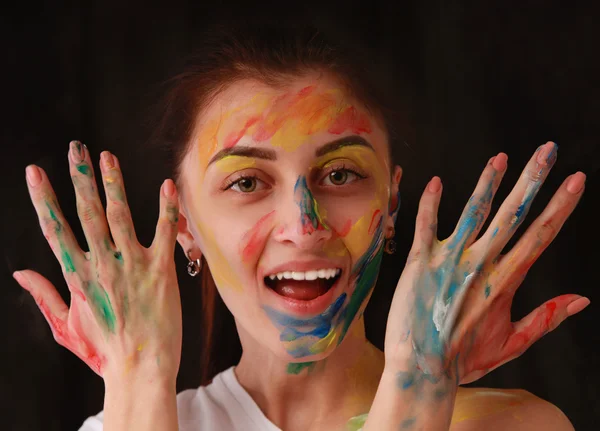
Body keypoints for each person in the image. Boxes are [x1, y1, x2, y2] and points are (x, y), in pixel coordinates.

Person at [12, 23, 588, 431]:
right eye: (245, 183)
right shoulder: (133, 421)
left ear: (391, 205)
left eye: (339, 174)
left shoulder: (512, 426)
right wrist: (139, 378)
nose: (303, 223)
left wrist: (422, 382)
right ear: (183, 224)